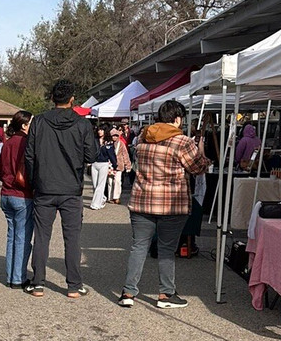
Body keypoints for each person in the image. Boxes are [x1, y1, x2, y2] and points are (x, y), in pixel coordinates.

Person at [119, 99, 210, 309]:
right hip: (171, 203)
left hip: (142, 200)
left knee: (138, 246)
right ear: (177, 119)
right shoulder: (183, 142)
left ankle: (128, 292)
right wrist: (202, 152)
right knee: (167, 249)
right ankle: (166, 294)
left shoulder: (143, 137)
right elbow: (198, 167)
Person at [23, 78, 98, 298]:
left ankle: (38, 283)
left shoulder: (39, 121)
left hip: (45, 187)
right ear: (72, 99)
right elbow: (91, 155)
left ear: (52, 98)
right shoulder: (82, 124)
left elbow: (30, 155)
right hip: (71, 188)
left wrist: (34, 180)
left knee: (42, 236)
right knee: (72, 238)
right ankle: (74, 285)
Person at [0, 111, 33, 288]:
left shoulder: (7, 143)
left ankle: (11, 276)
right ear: (25, 125)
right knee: (22, 238)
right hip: (22, 195)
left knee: (12, 236)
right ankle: (18, 277)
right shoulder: (28, 143)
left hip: (6, 193)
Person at [89, 127, 116, 210]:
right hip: (94, 163)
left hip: (104, 164)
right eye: (99, 130)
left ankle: (95, 204)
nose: (100, 132)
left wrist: (115, 165)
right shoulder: (94, 140)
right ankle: (103, 198)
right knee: (95, 185)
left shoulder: (109, 142)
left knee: (100, 185)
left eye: (102, 130)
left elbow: (111, 154)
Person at [109, 130, 132, 204]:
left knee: (117, 181)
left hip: (119, 165)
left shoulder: (121, 144)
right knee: (110, 182)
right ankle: (110, 197)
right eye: (113, 136)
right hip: (109, 165)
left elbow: (125, 154)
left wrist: (128, 165)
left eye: (116, 135)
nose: (114, 137)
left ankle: (116, 197)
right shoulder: (108, 144)